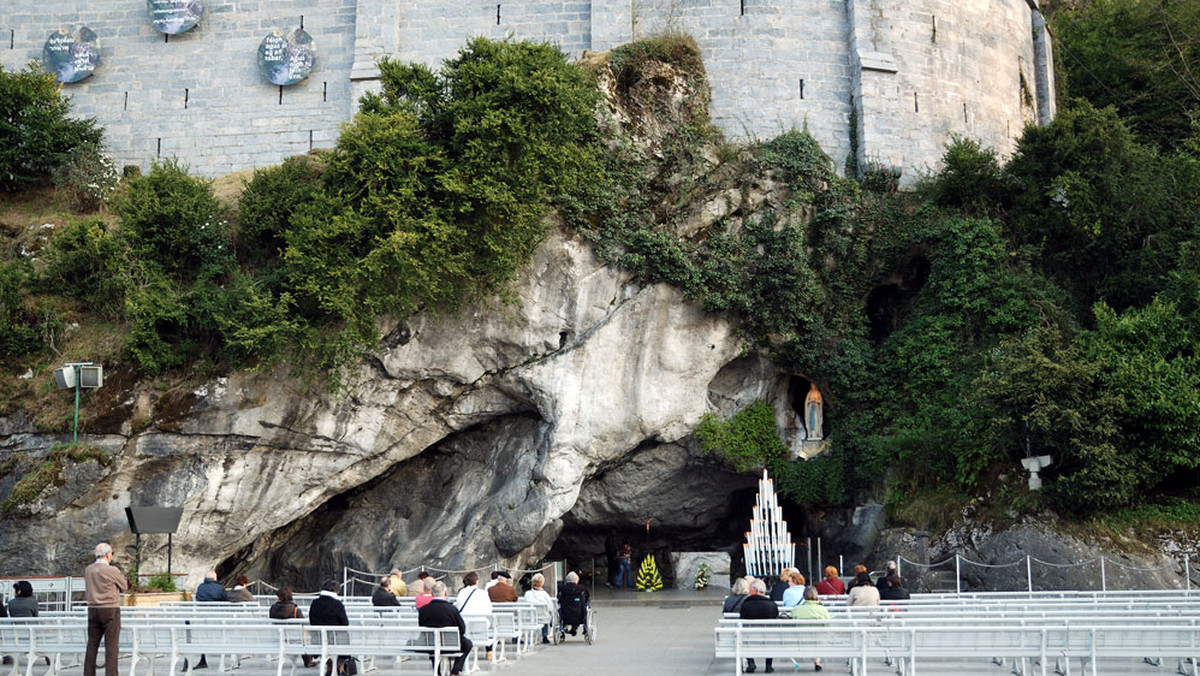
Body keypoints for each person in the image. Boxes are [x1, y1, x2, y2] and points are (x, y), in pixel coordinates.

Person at [84, 542, 128, 676]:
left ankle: (88, 673)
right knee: (111, 646)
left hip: (93, 608)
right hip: (110, 608)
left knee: (92, 644)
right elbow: (124, 587)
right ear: (108, 555)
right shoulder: (112, 570)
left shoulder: (88, 569)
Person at [418, 581, 472, 676]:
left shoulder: (423, 609)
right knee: (468, 644)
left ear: (431, 594)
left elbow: (422, 626)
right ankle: (455, 671)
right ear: (446, 593)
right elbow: (462, 629)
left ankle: (437, 671)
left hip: (430, 645)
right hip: (451, 645)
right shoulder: (452, 609)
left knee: (432, 640)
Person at [310, 580, 355, 676]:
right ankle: (340, 666)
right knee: (341, 635)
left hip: (319, 641)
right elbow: (345, 623)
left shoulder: (314, 603)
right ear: (336, 591)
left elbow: (312, 621)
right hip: (335, 641)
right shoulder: (337, 604)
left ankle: (330, 664)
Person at [269, 587, 316, 668]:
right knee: (306, 636)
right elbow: (303, 624)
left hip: (279, 638)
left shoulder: (273, 609)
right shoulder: (295, 610)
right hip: (295, 639)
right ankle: (308, 660)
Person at [739, 578, 777, 673]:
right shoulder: (772, 605)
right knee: (770, 638)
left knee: (744, 637)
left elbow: (742, 618)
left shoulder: (746, 605)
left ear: (755, 590)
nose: (749, 590)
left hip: (750, 637)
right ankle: (768, 665)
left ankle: (751, 662)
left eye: (750, 589)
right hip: (768, 637)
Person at [789, 587, 829, 671]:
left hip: (800, 640)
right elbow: (828, 626)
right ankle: (816, 661)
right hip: (819, 641)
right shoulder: (823, 610)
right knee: (818, 637)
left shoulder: (796, 609)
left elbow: (791, 625)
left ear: (804, 597)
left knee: (812, 637)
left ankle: (816, 661)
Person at [455, 572, 493, 658]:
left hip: (465, 624)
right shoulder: (482, 593)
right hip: (480, 624)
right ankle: (489, 650)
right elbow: (489, 610)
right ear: (476, 581)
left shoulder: (462, 592)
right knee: (486, 624)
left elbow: (457, 607)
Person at [522, 573, 554, 644]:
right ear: (542, 583)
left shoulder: (528, 593)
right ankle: (544, 635)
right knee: (547, 616)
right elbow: (550, 607)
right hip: (543, 617)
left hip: (530, 617)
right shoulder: (544, 594)